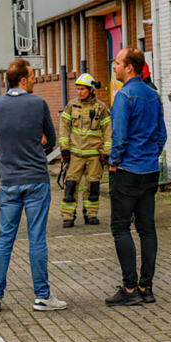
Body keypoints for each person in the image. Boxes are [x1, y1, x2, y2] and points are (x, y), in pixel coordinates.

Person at [0, 59, 66, 313]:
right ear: (22, 79)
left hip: (8, 182)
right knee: (36, 239)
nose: (34, 80)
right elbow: (51, 140)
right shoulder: (38, 103)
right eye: (32, 76)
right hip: (36, 181)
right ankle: (42, 296)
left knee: (4, 239)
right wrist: (38, 140)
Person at [104, 47, 167, 307]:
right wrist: (151, 156)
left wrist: (114, 162)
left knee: (120, 227)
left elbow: (119, 137)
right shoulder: (154, 96)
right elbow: (162, 136)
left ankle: (130, 289)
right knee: (147, 229)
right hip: (150, 171)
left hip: (127, 172)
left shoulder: (124, 96)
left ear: (129, 67)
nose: (114, 67)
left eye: (117, 63)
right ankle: (147, 287)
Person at [58, 73, 111, 228]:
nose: (79, 92)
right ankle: (68, 217)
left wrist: (106, 152)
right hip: (75, 155)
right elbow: (64, 128)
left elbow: (108, 131)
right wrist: (64, 149)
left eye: (82, 89)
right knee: (70, 186)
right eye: (78, 89)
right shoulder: (71, 106)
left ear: (91, 89)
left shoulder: (101, 108)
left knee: (93, 186)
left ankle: (91, 214)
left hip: (94, 156)